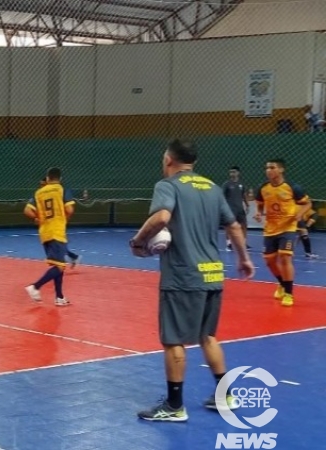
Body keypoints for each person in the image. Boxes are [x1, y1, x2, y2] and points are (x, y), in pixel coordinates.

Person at [129, 139, 254, 422]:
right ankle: (226, 396)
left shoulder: (168, 185)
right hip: (212, 274)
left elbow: (161, 217)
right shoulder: (211, 187)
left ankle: (174, 407)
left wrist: (138, 241)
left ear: (168, 159)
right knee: (207, 336)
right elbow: (233, 225)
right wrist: (244, 258)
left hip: (183, 275)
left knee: (174, 340)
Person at [254, 158, 311, 307]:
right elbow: (260, 204)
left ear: (281, 170)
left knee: (285, 258)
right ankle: (282, 284)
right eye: (267, 168)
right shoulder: (262, 188)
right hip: (271, 229)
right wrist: (259, 213)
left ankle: (289, 293)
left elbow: (308, 203)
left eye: (272, 167)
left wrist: (300, 214)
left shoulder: (293, 187)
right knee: (269, 261)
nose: (268, 170)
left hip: (288, 227)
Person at [24, 168, 75, 306]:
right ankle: (35, 287)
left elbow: (27, 210)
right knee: (59, 266)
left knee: (59, 265)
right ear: (60, 178)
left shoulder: (39, 192)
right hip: (57, 231)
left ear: (47, 178)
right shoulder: (62, 190)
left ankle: (59, 297)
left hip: (44, 232)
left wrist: (37, 219)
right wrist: (65, 220)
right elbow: (70, 209)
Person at [39, 178, 81, 268]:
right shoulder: (43, 194)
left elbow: (68, 209)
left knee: (57, 243)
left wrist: (64, 220)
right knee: (58, 244)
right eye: (41, 185)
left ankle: (62, 262)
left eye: (43, 184)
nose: (41, 186)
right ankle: (73, 257)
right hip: (50, 224)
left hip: (57, 223)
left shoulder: (59, 192)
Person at [222, 166, 249, 251]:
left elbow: (244, 195)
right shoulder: (226, 184)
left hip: (240, 209)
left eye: (234, 172)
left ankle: (244, 243)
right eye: (231, 172)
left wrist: (247, 205)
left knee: (244, 225)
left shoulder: (241, 184)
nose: (232, 174)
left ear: (238, 173)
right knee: (229, 226)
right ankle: (229, 244)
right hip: (230, 209)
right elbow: (222, 197)